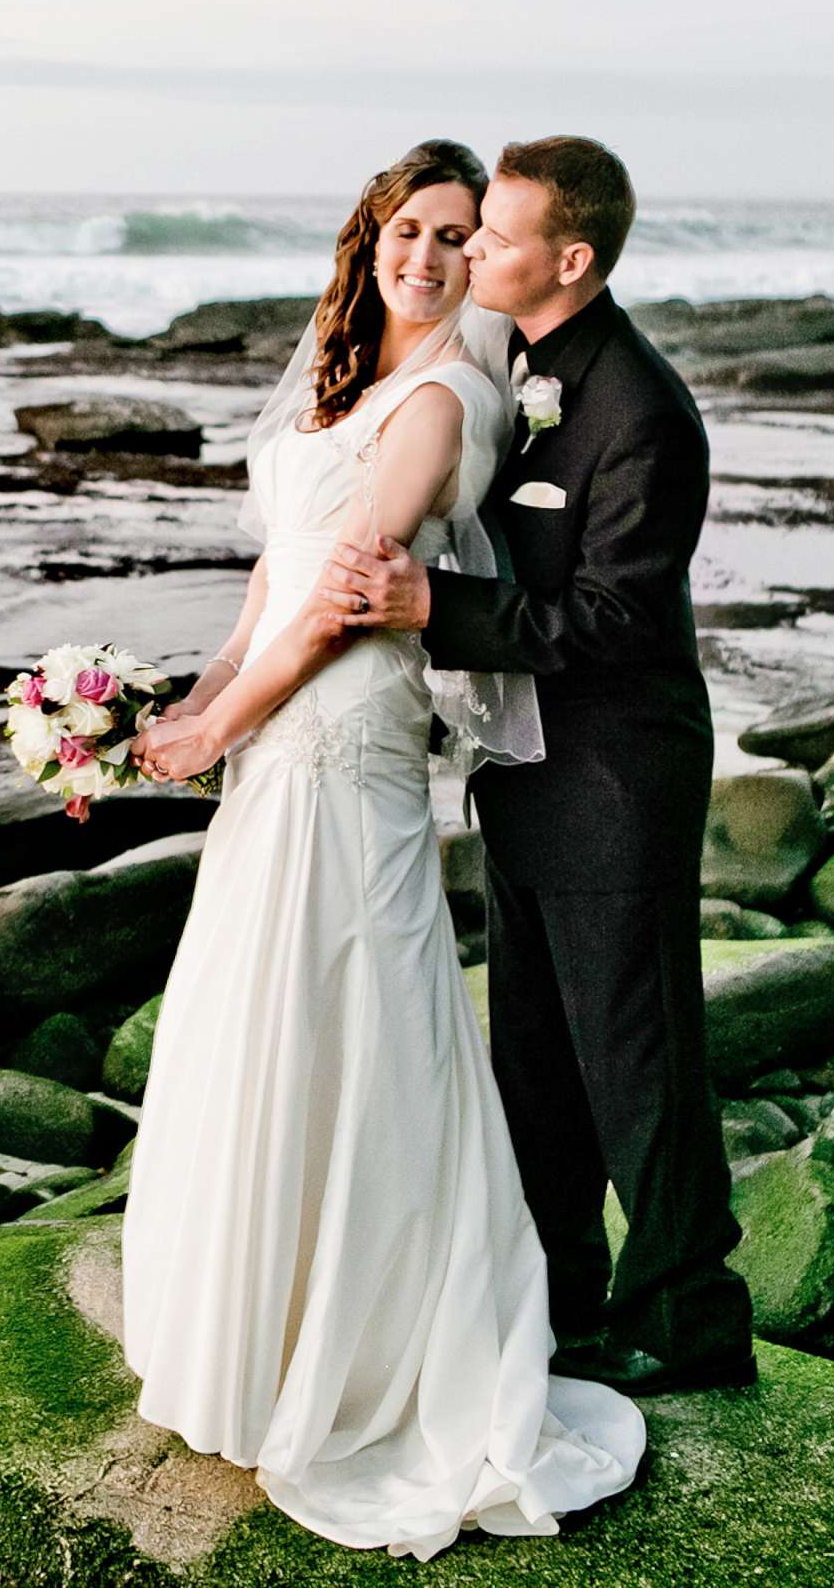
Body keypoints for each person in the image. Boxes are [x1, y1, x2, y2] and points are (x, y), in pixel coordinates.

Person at [120, 140, 646, 1563]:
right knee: (260, 1015)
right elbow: (275, 569)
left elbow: (348, 600)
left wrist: (224, 721)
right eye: (408, 227)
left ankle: (365, 1356)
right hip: (278, 728)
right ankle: (252, 1326)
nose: (426, 255)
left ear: (483, 260)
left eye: (458, 237)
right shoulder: (339, 379)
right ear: (370, 235)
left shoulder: (440, 398)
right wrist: (192, 693)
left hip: (344, 735)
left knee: (352, 1012)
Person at [317, 135, 757, 1395]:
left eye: (491, 239)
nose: (468, 255)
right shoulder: (509, 368)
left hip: (615, 779)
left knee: (641, 1060)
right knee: (537, 1065)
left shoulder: (642, 411)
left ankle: (689, 1318)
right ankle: (557, 1296)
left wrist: (428, 610)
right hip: (519, 771)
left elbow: (618, 621)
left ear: (569, 259)